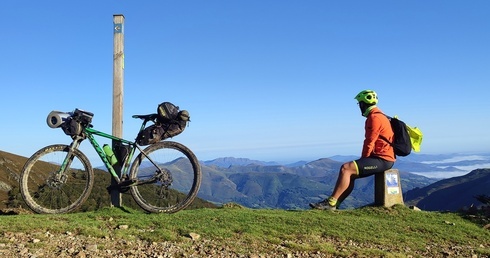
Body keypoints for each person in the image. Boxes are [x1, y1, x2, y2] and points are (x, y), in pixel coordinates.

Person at [309, 89, 396, 210]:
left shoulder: (374, 118)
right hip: (384, 158)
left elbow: (369, 141)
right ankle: (334, 205)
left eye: (359, 104)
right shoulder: (381, 116)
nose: (359, 106)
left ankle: (331, 203)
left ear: (363, 104)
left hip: (383, 159)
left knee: (346, 168)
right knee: (350, 173)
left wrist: (364, 159)